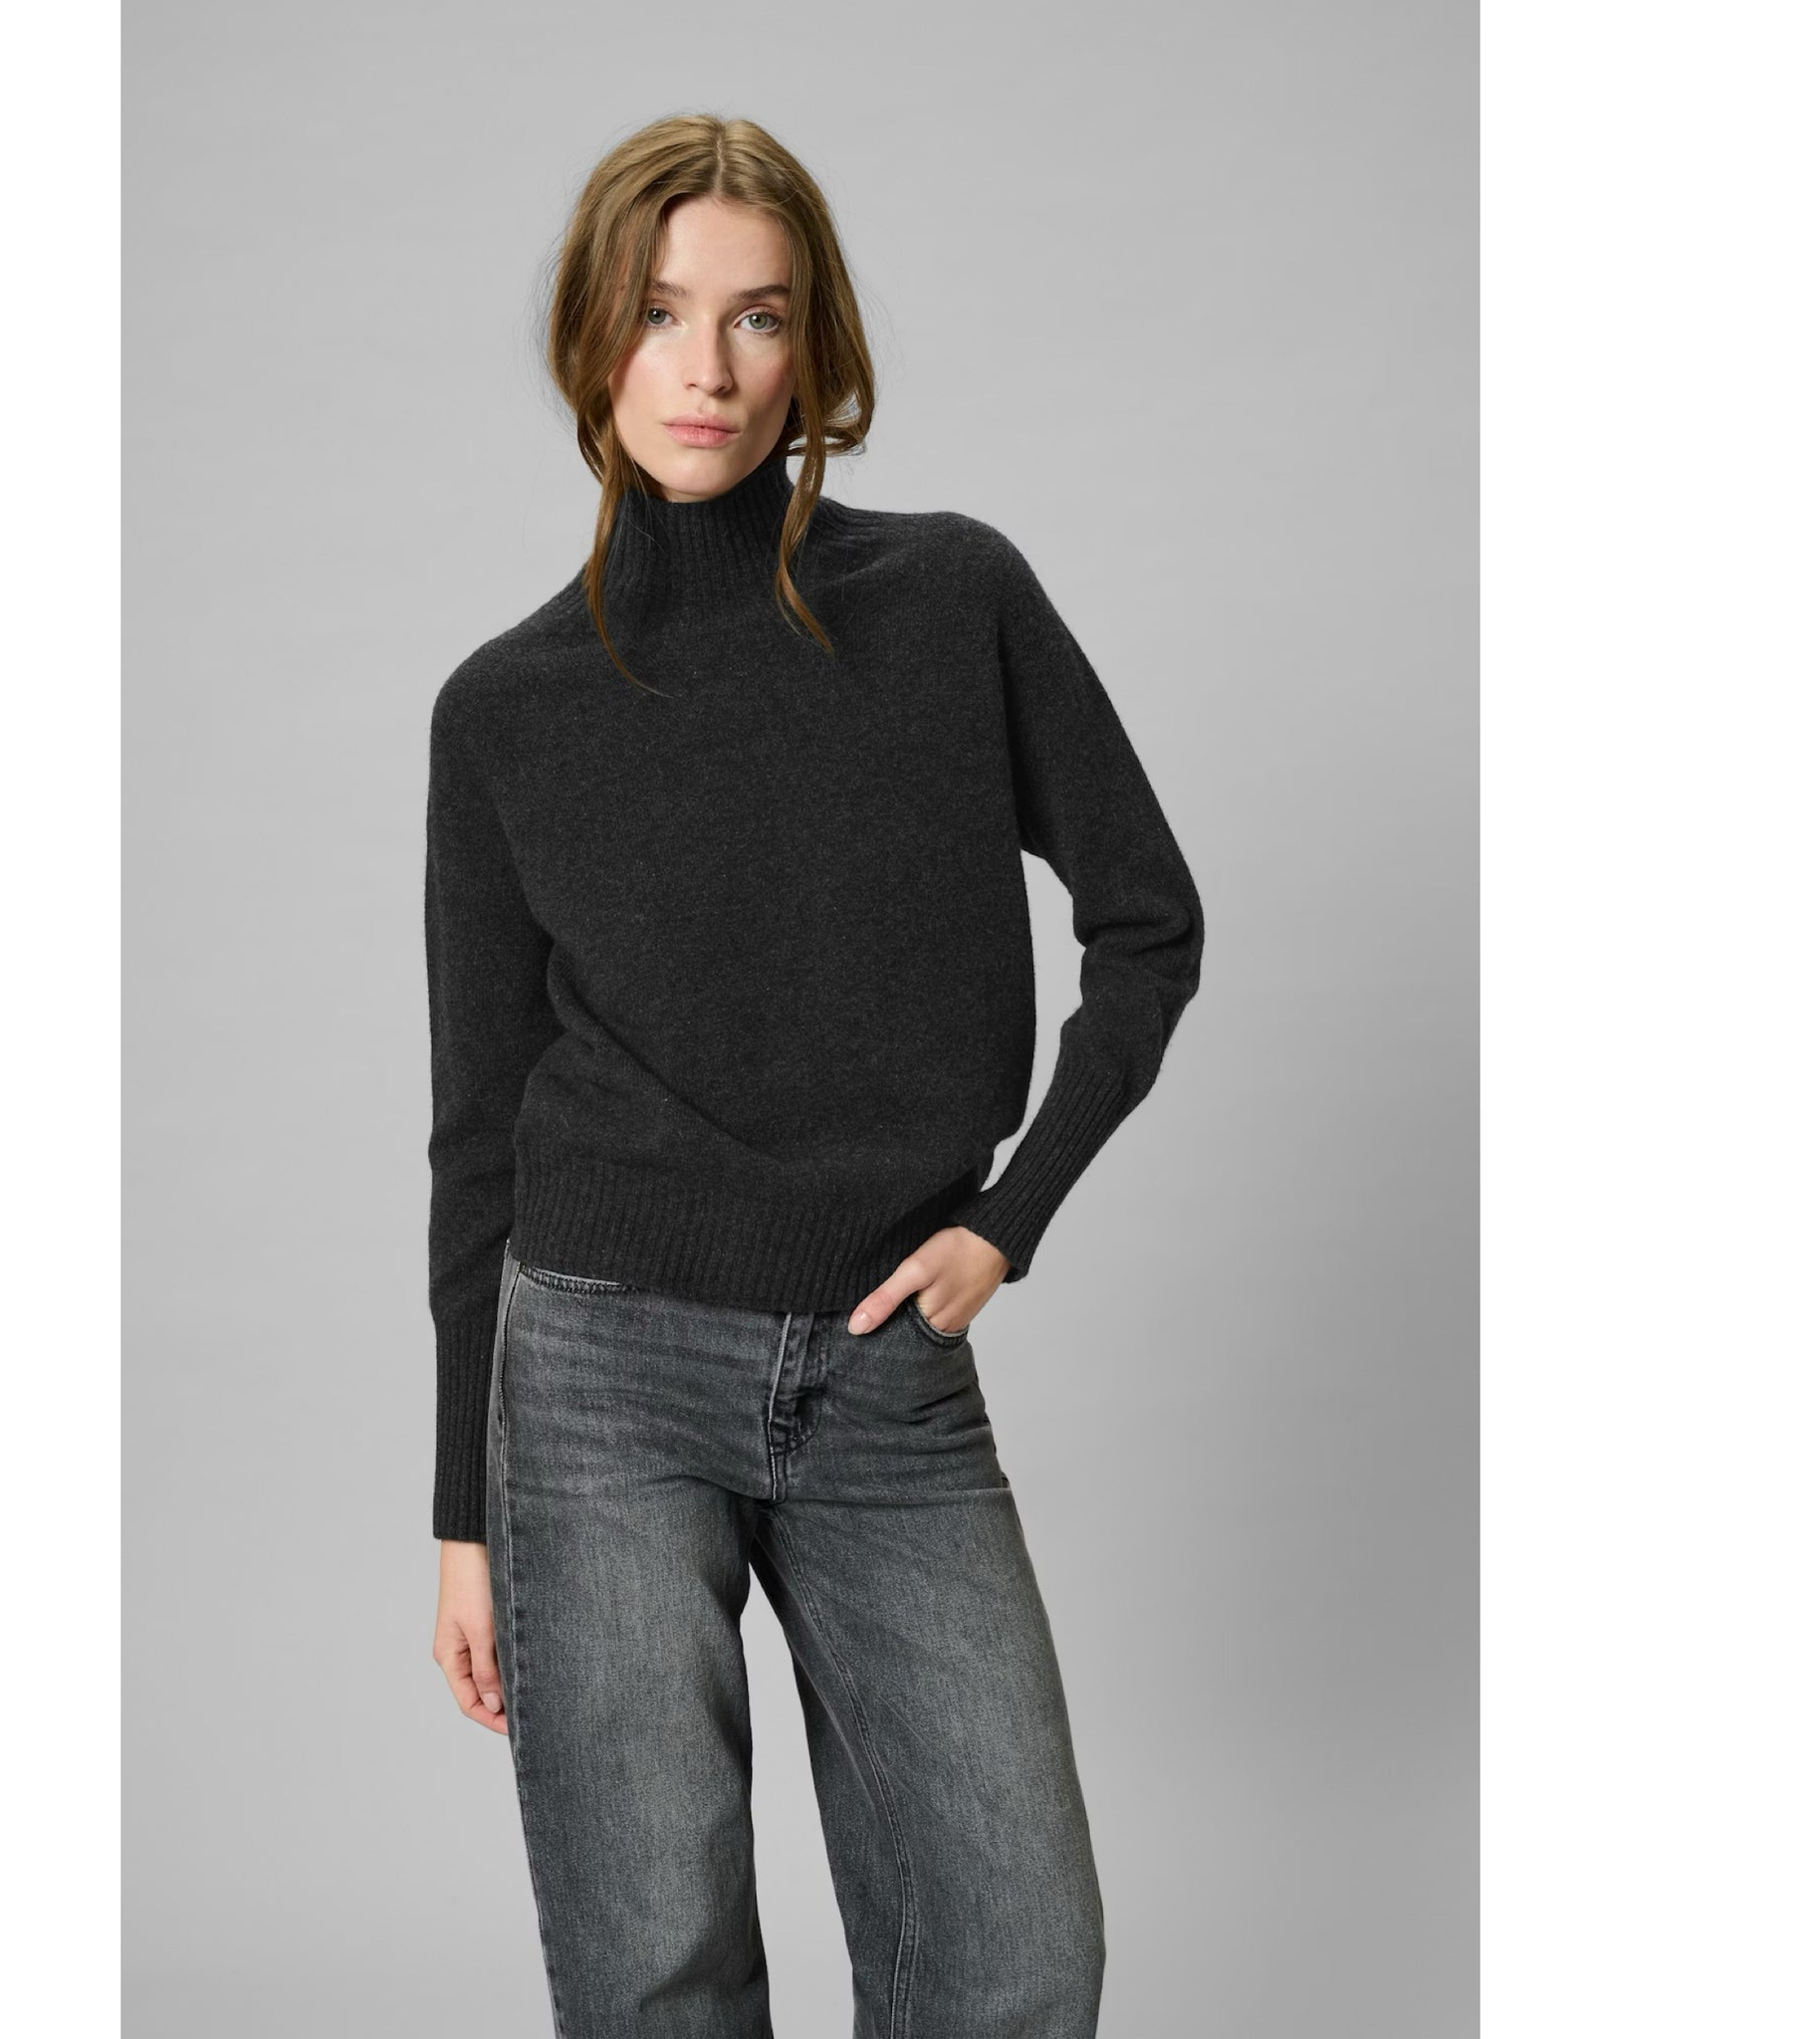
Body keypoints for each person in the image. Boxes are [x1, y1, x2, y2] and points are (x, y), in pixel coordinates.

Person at [423, 113, 1204, 2037]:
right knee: (655, 1974)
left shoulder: (954, 598)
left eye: (756, 317)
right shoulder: (505, 709)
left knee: (1015, 1958)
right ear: (592, 340)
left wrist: (1010, 1221)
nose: (705, 366)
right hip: (594, 1379)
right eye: (658, 312)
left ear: (813, 350)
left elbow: (1149, 923)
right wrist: (465, 1511)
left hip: (885, 1370)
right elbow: (476, 1139)